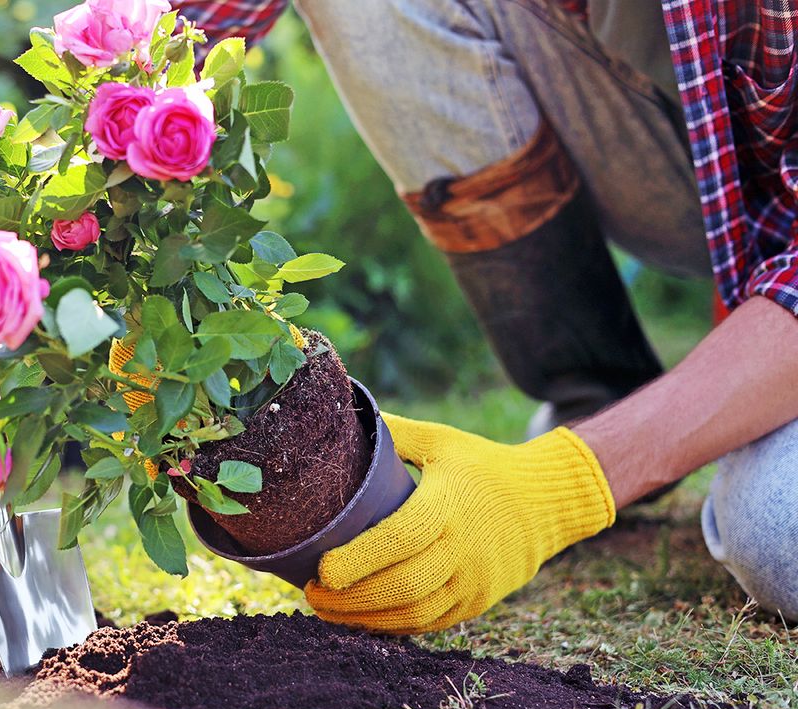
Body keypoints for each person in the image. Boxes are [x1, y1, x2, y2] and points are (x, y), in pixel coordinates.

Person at [172, 0, 798, 630]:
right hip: (713, 152)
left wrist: (560, 485)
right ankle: (597, 396)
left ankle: (653, 433)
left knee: (781, 533)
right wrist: (124, 243)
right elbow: (176, 32)